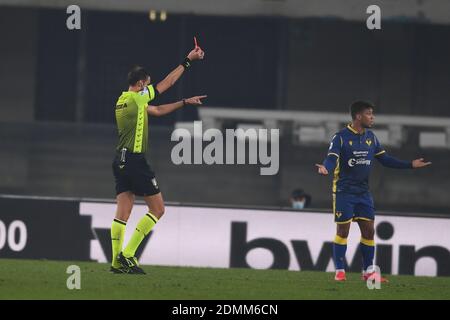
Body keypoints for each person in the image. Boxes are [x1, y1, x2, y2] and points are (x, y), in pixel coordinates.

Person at [110, 45, 206, 274]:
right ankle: (129, 255)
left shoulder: (123, 100)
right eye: (148, 83)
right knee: (158, 209)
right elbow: (168, 83)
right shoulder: (137, 99)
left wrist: (185, 102)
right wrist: (188, 61)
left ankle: (116, 262)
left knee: (122, 212)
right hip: (134, 160)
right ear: (142, 83)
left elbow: (159, 110)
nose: (149, 86)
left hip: (120, 161)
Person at [315, 101, 431, 282]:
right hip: (344, 192)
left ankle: (368, 273)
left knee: (369, 232)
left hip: (363, 193)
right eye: (369, 114)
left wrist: (410, 165)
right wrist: (326, 168)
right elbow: (332, 157)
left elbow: (385, 159)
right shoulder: (340, 137)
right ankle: (339, 271)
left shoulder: (371, 137)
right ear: (358, 116)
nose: (372, 117)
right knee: (342, 232)